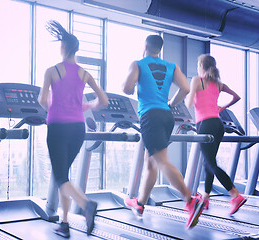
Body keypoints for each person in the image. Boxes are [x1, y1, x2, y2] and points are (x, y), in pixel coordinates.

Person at [123, 34, 205, 229]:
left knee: (161, 161)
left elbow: (126, 89)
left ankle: (190, 200)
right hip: (167, 116)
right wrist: (170, 103)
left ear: (145, 46)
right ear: (160, 48)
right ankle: (140, 203)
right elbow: (185, 88)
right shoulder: (172, 66)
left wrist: (133, 83)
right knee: (151, 162)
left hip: (149, 116)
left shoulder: (138, 64)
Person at [38, 20, 108, 238]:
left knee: (60, 177)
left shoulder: (52, 71)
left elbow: (42, 101)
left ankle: (86, 205)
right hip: (78, 129)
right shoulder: (84, 73)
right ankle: (64, 223)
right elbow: (103, 100)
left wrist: (54, 104)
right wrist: (87, 106)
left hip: (58, 127)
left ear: (63, 48)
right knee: (64, 176)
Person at [185, 53, 246, 215]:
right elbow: (237, 97)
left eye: (198, 65)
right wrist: (221, 108)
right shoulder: (218, 83)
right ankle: (205, 197)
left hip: (204, 124)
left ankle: (235, 194)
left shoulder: (197, 80)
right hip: (218, 125)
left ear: (201, 66)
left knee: (211, 163)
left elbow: (189, 103)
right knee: (208, 162)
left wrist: (188, 96)